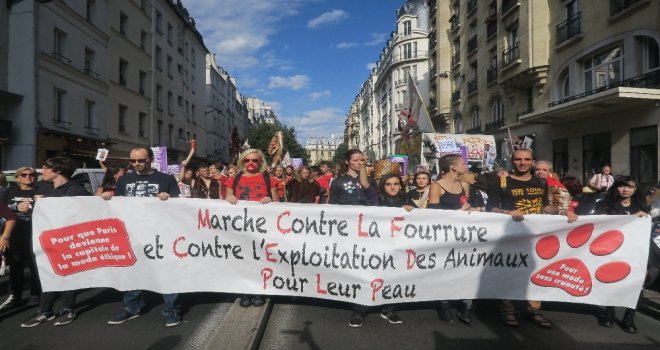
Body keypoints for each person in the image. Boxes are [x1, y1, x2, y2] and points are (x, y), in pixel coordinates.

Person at [486, 149, 577, 329]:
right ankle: (507, 309)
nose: (523, 162)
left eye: (527, 159)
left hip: (535, 235)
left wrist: (562, 212)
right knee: (509, 270)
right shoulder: (502, 182)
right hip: (509, 235)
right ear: (512, 161)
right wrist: (508, 212)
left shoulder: (541, 182)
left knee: (536, 270)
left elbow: (546, 207)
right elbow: (492, 208)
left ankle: (533, 309)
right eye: (518, 159)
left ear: (533, 162)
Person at [104, 146, 182, 327]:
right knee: (132, 271)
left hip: (159, 235)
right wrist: (108, 198)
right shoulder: (124, 179)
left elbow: (179, 206)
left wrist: (168, 199)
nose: (136, 164)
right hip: (133, 234)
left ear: (151, 159)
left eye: (141, 160)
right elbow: (118, 205)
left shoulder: (166, 179)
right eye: (133, 161)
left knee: (166, 272)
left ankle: (173, 309)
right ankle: (131, 307)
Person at [21, 157, 90, 327]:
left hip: (66, 240)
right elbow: (31, 210)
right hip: (43, 240)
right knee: (46, 274)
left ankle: (67, 309)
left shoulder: (76, 190)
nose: (42, 171)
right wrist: (23, 207)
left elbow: (90, 212)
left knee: (67, 274)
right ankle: (45, 311)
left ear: (57, 171)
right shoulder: (43, 187)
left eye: (46, 168)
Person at [328, 149, 378, 328]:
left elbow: (376, 203)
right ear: (348, 162)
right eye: (356, 160)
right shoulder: (338, 182)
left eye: (362, 160)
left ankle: (360, 309)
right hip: (346, 231)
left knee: (364, 266)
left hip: (367, 231)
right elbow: (332, 206)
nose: (359, 163)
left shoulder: (370, 181)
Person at [225, 149, 279, 307]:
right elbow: (226, 201)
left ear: (260, 162)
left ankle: (258, 291)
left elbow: (278, 204)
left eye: (255, 160)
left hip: (263, 228)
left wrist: (270, 199)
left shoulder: (269, 179)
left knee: (260, 259)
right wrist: (229, 197)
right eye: (247, 160)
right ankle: (244, 291)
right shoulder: (234, 179)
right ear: (242, 161)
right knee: (243, 259)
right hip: (240, 227)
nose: (251, 163)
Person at [595, 176, 649, 333]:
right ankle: (609, 313)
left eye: (630, 187)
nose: (625, 189)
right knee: (611, 278)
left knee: (640, 279)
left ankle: (629, 317)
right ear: (616, 187)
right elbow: (601, 224)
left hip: (637, 248)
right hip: (613, 248)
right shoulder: (604, 204)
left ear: (635, 189)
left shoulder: (641, 205)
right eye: (622, 186)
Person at [428, 154, 474, 324]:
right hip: (444, 236)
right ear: (453, 167)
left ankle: (465, 304)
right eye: (463, 163)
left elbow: (465, 206)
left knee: (462, 268)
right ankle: (444, 304)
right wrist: (458, 213)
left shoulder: (464, 184)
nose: (466, 165)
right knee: (444, 269)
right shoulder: (436, 186)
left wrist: (471, 210)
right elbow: (433, 213)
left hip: (462, 235)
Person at [1, 167, 41, 311]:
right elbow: (3, 208)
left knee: (34, 265)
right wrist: (15, 206)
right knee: (15, 266)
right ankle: (16, 295)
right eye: (24, 175)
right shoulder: (10, 191)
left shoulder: (40, 191)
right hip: (15, 233)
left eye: (31, 175)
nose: (28, 177)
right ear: (18, 178)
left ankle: (36, 294)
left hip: (34, 233)